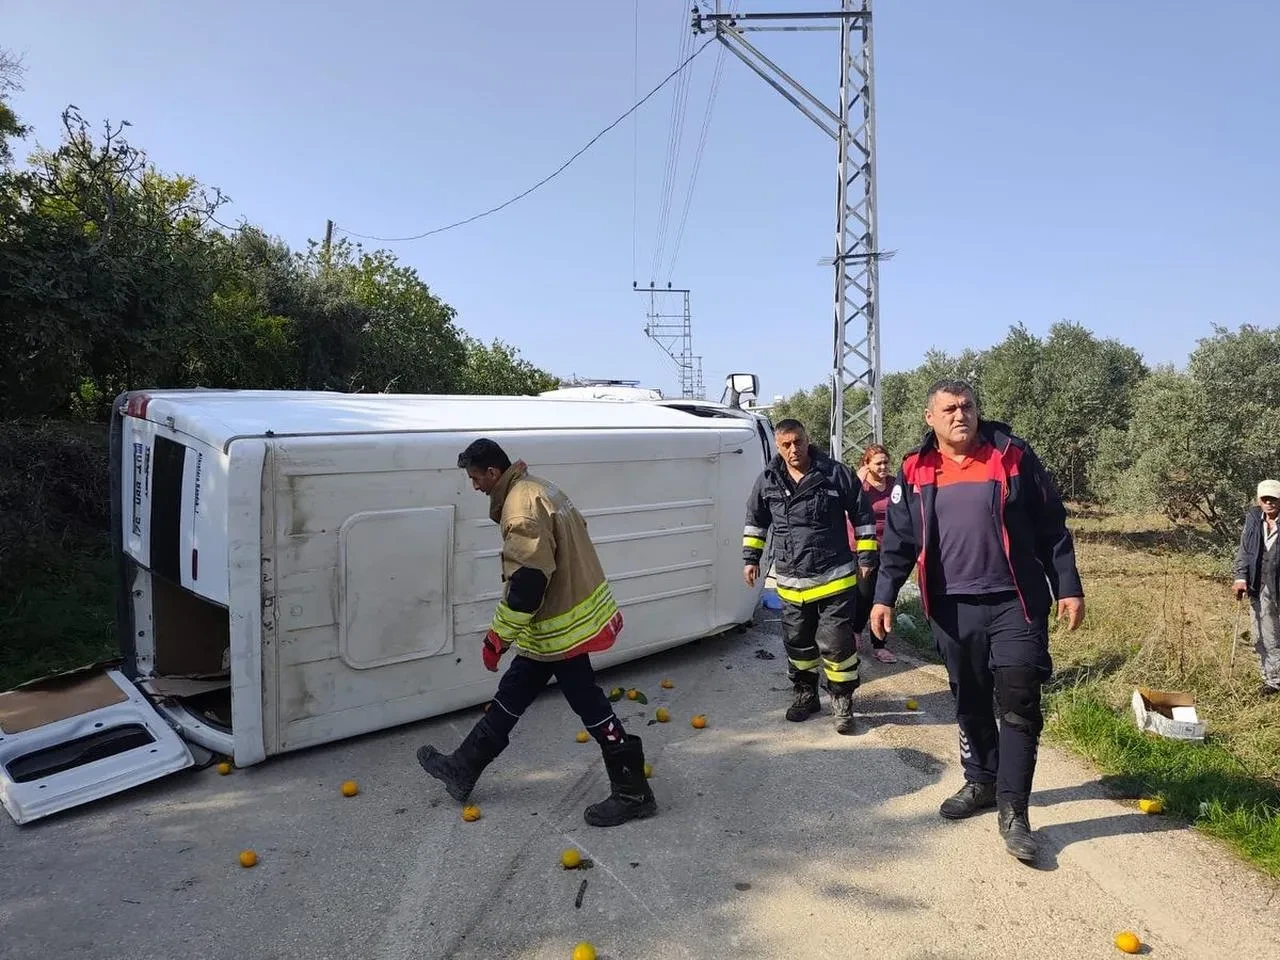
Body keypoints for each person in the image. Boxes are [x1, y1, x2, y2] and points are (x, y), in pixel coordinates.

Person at [869, 380, 1085, 862]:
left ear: (977, 410)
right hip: (951, 606)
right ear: (930, 418)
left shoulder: (1013, 456)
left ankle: (1015, 811)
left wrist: (1068, 585)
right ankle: (981, 781)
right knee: (969, 696)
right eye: (948, 409)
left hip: (1015, 601)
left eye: (966, 406)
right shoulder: (915, 468)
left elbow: (1052, 526)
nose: (959, 415)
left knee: (1019, 698)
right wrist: (883, 598)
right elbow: (899, 542)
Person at [416, 439, 656, 827]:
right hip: (555, 622)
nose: (474, 486)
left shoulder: (520, 509)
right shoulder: (538, 488)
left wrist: (497, 638)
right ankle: (463, 767)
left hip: (559, 626)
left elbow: (528, 583)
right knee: (514, 691)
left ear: (493, 472)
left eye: (476, 478)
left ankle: (633, 793)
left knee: (589, 704)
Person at [743, 419, 879, 734]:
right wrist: (750, 559)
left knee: (837, 646)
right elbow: (756, 521)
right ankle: (806, 694)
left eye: (798, 442)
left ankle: (842, 700)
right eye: (786, 444)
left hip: (834, 579)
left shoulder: (835, 473)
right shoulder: (768, 481)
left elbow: (862, 513)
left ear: (807, 440)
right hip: (792, 583)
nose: (794, 449)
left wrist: (867, 555)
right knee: (798, 645)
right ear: (778, 446)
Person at [1231, 480, 1280, 698]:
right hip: (1258, 583)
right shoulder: (1253, 518)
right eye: (1264, 499)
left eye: (1274, 499)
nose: (1269, 503)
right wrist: (1240, 577)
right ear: (1258, 500)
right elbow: (1244, 550)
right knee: (1262, 633)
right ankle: (1272, 680)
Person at [851, 444, 897, 663]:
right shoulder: (861, 485)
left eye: (886, 462)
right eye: (878, 463)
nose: (883, 467)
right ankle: (855, 631)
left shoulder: (895, 484)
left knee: (885, 596)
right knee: (865, 594)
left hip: (889, 549)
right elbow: (847, 508)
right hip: (864, 548)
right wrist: (858, 482)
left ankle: (880, 645)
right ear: (866, 464)